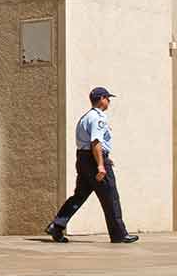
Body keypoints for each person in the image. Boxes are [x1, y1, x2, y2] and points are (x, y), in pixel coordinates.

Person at [43, 86, 138, 244]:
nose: (109, 101)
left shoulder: (85, 117)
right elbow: (96, 141)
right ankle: (119, 234)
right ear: (101, 99)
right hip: (93, 161)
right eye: (107, 98)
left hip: (83, 159)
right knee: (110, 196)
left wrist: (105, 158)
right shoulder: (98, 118)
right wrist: (101, 164)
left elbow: (90, 144)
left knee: (79, 196)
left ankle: (57, 225)